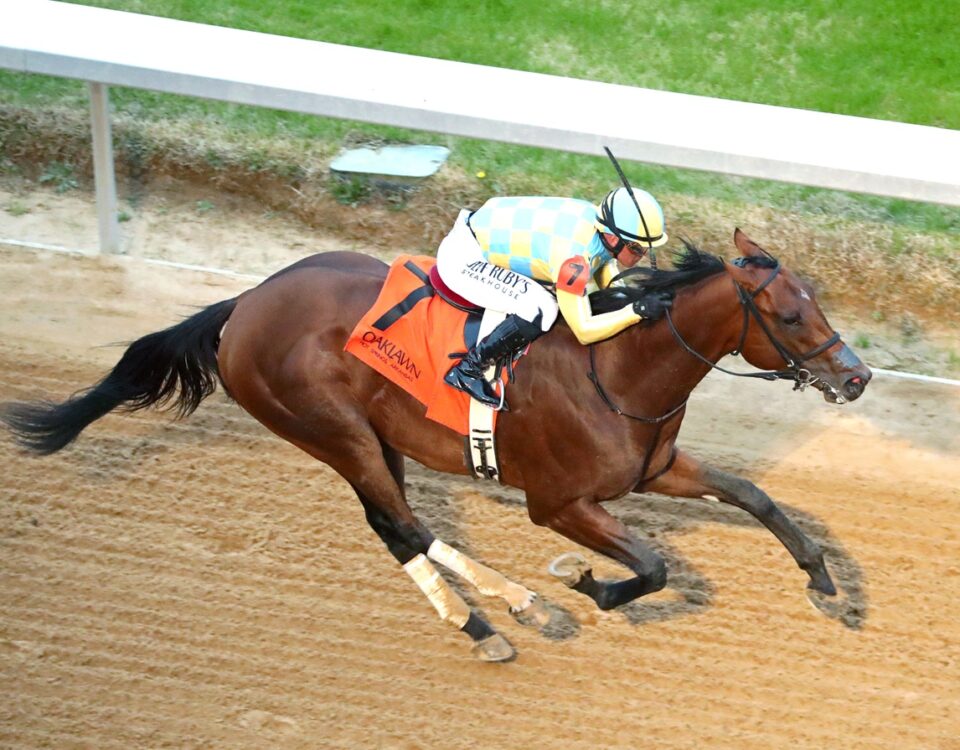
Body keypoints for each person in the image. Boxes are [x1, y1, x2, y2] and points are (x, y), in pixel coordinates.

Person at [436, 187, 672, 409]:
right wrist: (635, 311)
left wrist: (625, 297)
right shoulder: (574, 258)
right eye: (636, 249)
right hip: (463, 257)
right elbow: (584, 330)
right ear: (612, 237)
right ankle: (468, 370)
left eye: (646, 249)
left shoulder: (599, 226)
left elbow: (604, 264)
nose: (642, 255)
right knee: (543, 308)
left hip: (480, 229)